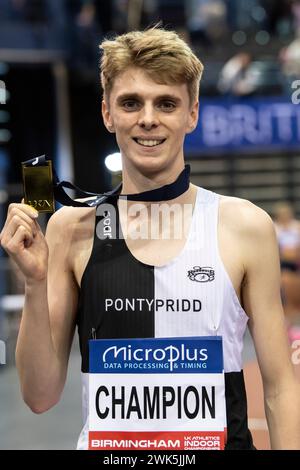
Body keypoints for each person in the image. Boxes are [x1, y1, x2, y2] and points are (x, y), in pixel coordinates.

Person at [0, 27, 299, 450]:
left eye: (166, 103)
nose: (147, 118)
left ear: (192, 113)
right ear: (107, 113)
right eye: (130, 102)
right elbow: (39, 395)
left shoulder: (244, 226)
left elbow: (280, 388)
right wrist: (34, 284)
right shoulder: (73, 227)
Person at [273, 202, 300, 341]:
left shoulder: (296, 227)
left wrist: (293, 253)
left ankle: (293, 324)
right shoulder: (274, 228)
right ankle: (288, 326)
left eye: (287, 215)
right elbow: (276, 251)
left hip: (296, 265)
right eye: (282, 215)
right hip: (281, 266)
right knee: (286, 290)